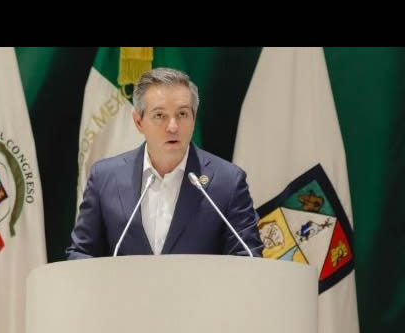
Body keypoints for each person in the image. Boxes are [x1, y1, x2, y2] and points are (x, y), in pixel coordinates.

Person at [66, 67, 263, 259]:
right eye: (159, 115)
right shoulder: (105, 178)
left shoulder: (228, 182)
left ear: (193, 119)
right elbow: (82, 253)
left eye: (182, 114)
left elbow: (247, 256)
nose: (173, 127)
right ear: (139, 122)